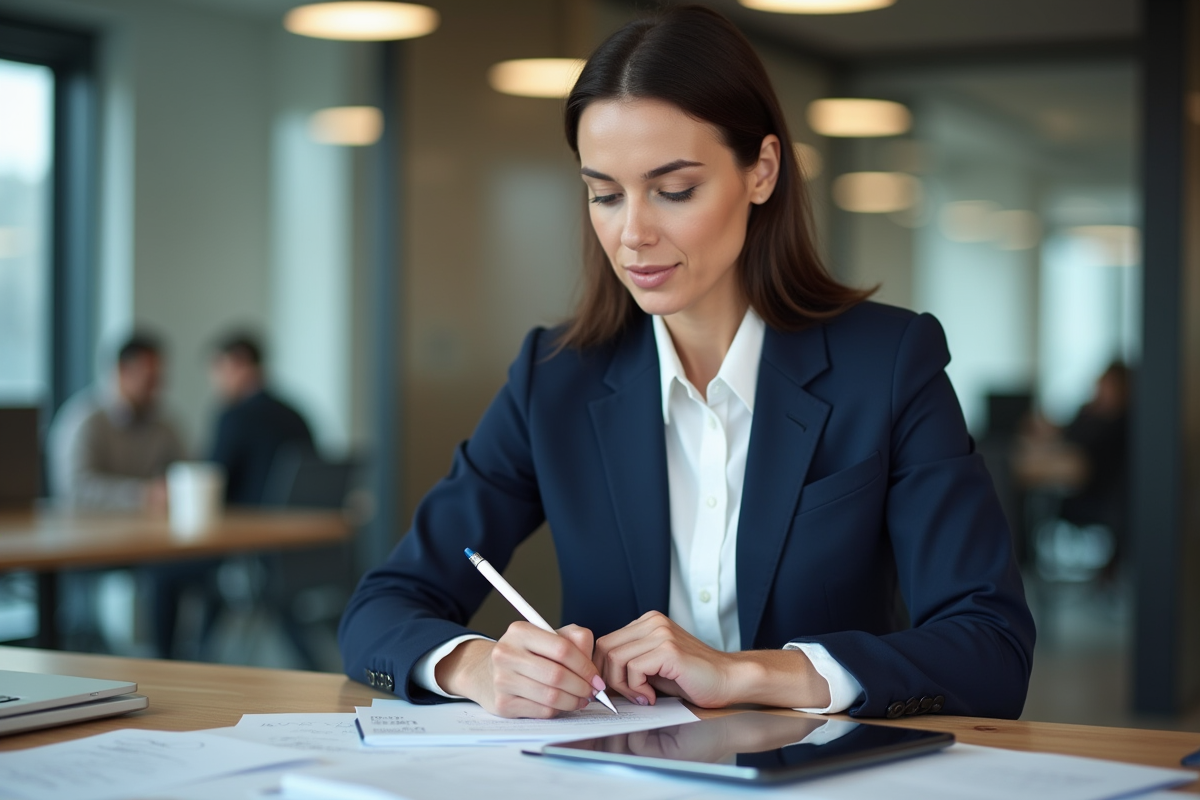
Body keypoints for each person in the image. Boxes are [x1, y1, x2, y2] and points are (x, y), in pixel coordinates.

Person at [339, 5, 1034, 721]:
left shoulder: (888, 364)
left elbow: (990, 649)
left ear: (761, 171)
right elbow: (382, 606)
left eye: (674, 191)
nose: (633, 233)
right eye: (604, 194)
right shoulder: (555, 378)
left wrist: (749, 674)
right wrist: (477, 665)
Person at [48, 332, 184, 511]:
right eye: (149, 379)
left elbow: (185, 472)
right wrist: (143, 494)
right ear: (122, 371)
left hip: (147, 531)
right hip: (90, 532)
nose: (156, 388)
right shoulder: (84, 419)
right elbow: (73, 488)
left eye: (158, 379)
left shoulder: (163, 425)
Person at [208, 332, 314, 505]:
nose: (215, 380)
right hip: (298, 524)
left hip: (248, 526)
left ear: (240, 363)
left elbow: (212, 480)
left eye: (219, 368)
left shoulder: (235, 417)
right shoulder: (295, 415)